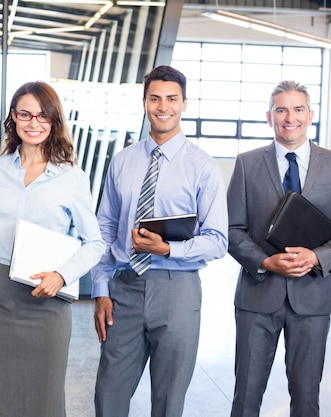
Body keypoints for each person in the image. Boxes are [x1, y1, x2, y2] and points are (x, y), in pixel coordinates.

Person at [91, 65, 228, 417]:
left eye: (171, 99)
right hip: (125, 287)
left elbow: (218, 241)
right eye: (155, 98)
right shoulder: (122, 161)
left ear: (184, 103)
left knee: (168, 401)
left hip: (178, 290)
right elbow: (105, 228)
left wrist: (169, 249)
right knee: (109, 395)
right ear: (144, 103)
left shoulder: (203, 166)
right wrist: (101, 288)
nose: (162, 106)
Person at [0, 81, 105, 417]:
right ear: (13, 118)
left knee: (45, 402)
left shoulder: (71, 176)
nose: (33, 122)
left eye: (43, 116)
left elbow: (96, 243)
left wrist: (62, 275)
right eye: (25, 114)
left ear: (54, 121)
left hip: (49, 302)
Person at [227, 80, 331, 417]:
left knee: (306, 398)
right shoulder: (246, 164)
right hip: (257, 298)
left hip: (312, 298)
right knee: (246, 396)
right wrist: (266, 261)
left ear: (310, 115)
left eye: (298, 109)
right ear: (269, 117)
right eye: (281, 110)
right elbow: (232, 229)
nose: (289, 117)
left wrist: (317, 257)